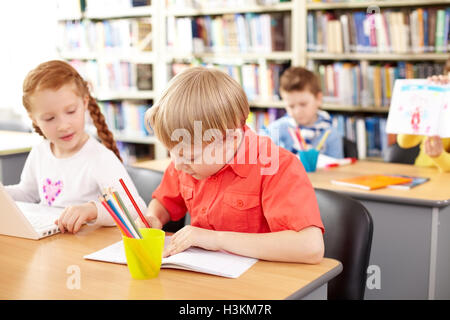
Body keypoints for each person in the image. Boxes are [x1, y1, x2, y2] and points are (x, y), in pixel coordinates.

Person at [136, 67, 324, 264]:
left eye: (190, 157)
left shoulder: (276, 166)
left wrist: (216, 240)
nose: (177, 164)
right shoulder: (185, 162)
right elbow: (165, 202)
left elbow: (310, 247)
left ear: (231, 140)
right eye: (170, 152)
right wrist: (153, 217)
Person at [5, 60, 146, 233]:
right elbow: (27, 193)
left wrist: (92, 210)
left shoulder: (100, 158)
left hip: (86, 248)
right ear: (34, 119)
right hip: (53, 245)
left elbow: (136, 208)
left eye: (71, 111)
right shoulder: (40, 152)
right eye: (49, 118)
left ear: (85, 103)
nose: (63, 125)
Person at [265, 66, 344, 158]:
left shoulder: (330, 133)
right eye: (291, 106)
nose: (297, 111)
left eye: (303, 104)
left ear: (318, 98)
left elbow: (338, 168)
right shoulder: (276, 129)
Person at [396, 64, 450, 173]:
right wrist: (426, 97)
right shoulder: (443, 104)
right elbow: (404, 142)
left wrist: (439, 156)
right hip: (422, 174)